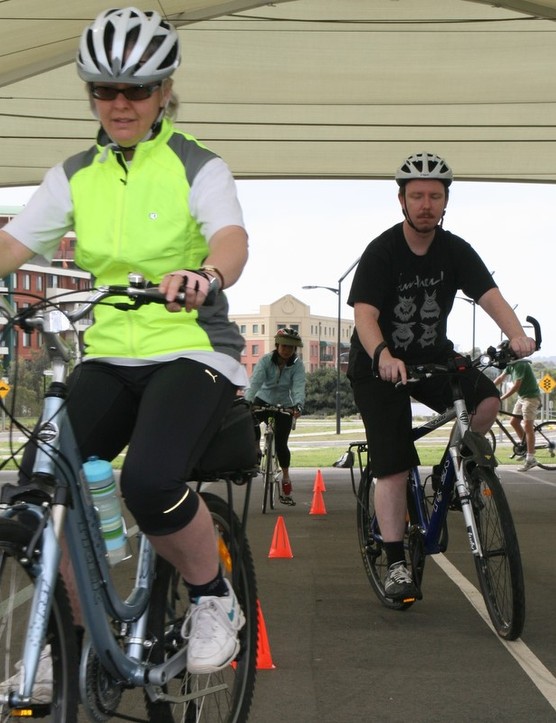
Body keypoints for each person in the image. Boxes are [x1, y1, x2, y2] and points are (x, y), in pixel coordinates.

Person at [0, 7, 249, 674]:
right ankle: (71, 634)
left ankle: (212, 594)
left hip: (191, 346)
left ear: (164, 89)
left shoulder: (198, 165)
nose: (119, 103)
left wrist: (206, 275)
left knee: (150, 478)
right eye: (103, 89)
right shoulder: (76, 173)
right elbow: (12, 244)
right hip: (109, 352)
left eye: (135, 89)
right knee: (40, 486)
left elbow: (231, 238)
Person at [347, 151, 536, 600]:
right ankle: (395, 563)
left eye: (435, 196)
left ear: (445, 202)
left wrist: (516, 335)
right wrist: (383, 355)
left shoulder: (455, 250)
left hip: (433, 358)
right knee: (392, 466)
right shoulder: (382, 251)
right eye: (417, 196)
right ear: (402, 201)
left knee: (487, 398)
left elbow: (490, 296)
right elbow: (364, 316)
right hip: (379, 367)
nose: (426, 204)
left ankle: (456, 468)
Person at [245, 328, 306, 505]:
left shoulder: (297, 365)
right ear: (277, 345)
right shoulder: (265, 360)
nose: (287, 350)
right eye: (284, 346)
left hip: (284, 403)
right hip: (262, 399)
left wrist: (298, 405)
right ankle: (256, 448)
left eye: (291, 347)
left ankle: (285, 476)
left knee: (281, 443)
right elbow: (255, 382)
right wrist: (248, 401)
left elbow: (298, 387)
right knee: (249, 419)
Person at [494, 359, 541, 471]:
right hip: (522, 398)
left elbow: (516, 386)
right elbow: (500, 378)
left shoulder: (521, 364)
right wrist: (487, 388)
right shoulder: (511, 365)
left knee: (527, 427)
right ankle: (525, 448)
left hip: (531, 398)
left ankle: (530, 459)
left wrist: (501, 399)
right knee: (513, 422)